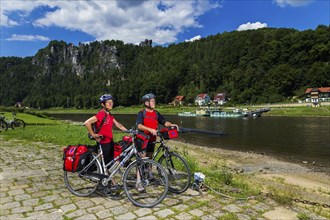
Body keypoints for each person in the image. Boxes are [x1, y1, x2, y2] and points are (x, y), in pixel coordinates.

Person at [84, 94, 127, 195]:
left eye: (112, 102)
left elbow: (118, 125)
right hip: (103, 143)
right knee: (106, 165)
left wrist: (130, 131)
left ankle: (112, 182)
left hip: (110, 142)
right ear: (103, 104)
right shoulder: (101, 114)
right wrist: (93, 134)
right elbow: (87, 123)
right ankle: (104, 186)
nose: (111, 104)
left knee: (109, 164)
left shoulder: (109, 115)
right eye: (109, 102)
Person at [135, 93, 178, 191]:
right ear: (146, 103)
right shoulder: (141, 113)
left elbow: (164, 122)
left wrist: (172, 125)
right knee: (142, 160)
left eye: (154, 101)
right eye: (152, 101)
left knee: (150, 157)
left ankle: (149, 175)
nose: (154, 102)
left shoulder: (156, 113)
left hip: (152, 140)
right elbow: (139, 126)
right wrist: (150, 129)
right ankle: (138, 182)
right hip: (143, 139)